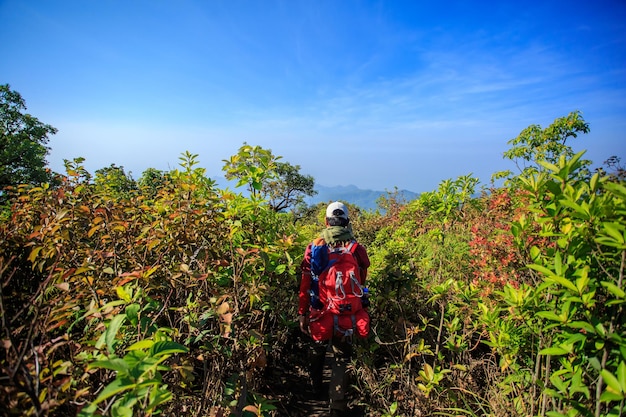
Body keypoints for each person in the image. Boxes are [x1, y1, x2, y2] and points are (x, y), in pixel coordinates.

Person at [298, 201, 370, 416]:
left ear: (326, 222)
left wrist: (303, 312)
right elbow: (362, 281)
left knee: (317, 348)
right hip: (347, 315)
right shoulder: (357, 249)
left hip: (321, 314)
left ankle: (315, 385)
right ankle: (337, 406)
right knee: (341, 359)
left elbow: (305, 283)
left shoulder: (315, 247)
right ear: (347, 222)